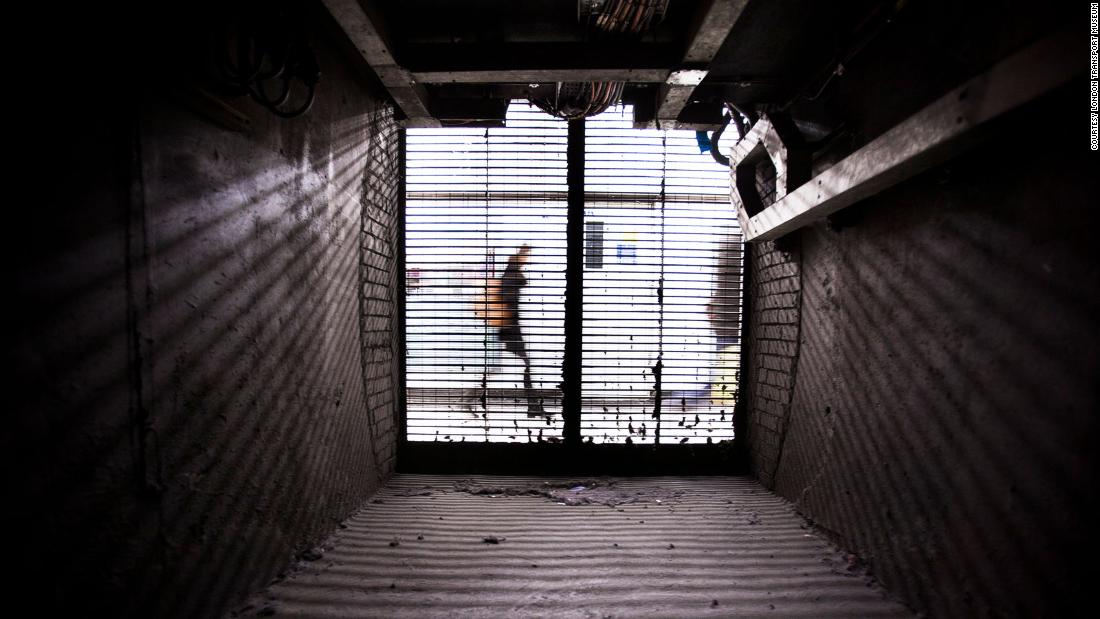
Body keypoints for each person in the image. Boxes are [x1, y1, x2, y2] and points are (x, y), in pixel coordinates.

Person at [475, 245, 545, 416]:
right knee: (524, 366)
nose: (526, 260)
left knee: (514, 367)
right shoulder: (510, 276)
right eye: (525, 257)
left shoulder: (511, 275)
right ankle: (533, 407)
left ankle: (533, 407)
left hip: (511, 328)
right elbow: (507, 302)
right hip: (510, 329)